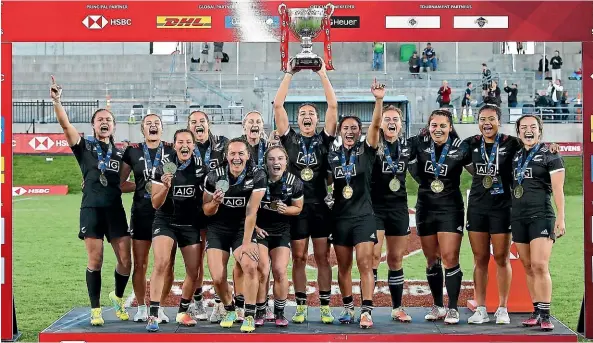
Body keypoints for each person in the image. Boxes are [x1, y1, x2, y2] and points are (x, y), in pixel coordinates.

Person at [51, 76, 131, 326]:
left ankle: (117, 297)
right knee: (96, 260)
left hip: (115, 211)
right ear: (93, 125)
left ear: (114, 126)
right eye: (100, 120)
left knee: (125, 262)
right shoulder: (83, 146)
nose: (104, 122)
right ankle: (96, 309)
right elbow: (65, 126)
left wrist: (146, 185)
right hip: (92, 210)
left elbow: (122, 183)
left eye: (108, 120)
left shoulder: (122, 153)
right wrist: (57, 100)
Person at [273, 59, 338, 324]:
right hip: (296, 209)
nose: (307, 117)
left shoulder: (324, 139)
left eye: (312, 113)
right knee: (298, 258)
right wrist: (289, 73)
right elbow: (278, 105)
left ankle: (324, 306)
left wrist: (322, 73)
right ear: (297, 120)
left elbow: (333, 105)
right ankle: (300, 305)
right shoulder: (288, 139)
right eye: (302, 114)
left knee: (322, 257)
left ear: (317, 119)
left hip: (320, 208)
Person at [327, 80, 382, 329]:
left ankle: (367, 310)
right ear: (340, 132)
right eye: (345, 128)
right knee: (344, 266)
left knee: (365, 263)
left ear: (359, 132)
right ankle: (348, 307)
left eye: (354, 128)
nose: (350, 131)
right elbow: (325, 180)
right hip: (340, 217)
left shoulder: (366, 150)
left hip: (363, 216)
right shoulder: (333, 155)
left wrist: (378, 100)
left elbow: (376, 126)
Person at [409, 109, 471, 325]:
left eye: (443, 125)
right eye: (434, 125)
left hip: (450, 208)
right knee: (431, 259)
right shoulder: (418, 143)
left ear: (450, 127)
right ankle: (438, 306)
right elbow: (395, 148)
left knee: (449, 257)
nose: (438, 129)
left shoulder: (460, 147)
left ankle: (453, 308)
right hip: (425, 207)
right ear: (428, 127)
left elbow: (480, 166)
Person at [463, 104, 520, 325]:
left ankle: (503, 308)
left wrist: (551, 147)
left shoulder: (511, 143)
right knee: (480, 259)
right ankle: (481, 308)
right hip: (477, 206)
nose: (487, 123)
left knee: (502, 258)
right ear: (478, 122)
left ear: (499, 121)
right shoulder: (471, 144)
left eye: (491, 119)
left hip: (502, 207)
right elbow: (466, 165)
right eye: (482, 119)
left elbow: (530, 147)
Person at [203, 137, 267, 333]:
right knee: (217, 277)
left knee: (250, 265)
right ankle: (230, 309)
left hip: (242, 228)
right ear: (226, 156)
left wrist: (247, 243)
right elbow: (206, 210)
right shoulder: (213, 176)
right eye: (232, 153)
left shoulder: (257, 175)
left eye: (241, 153)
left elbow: (251, 211)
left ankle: (249, 314)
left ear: (248, 155)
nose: (236, 157)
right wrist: (214, 202)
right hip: (217, 228)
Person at [145, 129, 207, 332]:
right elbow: (155, 203)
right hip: (166, 221)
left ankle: (182, 311)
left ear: (193, 146)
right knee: (162, 263)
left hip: (190, 224)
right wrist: (165, 186)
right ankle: (153, 315)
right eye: (180, 142)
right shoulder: (163, 166)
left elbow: (205, 197)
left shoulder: (200, 167)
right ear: (174, 145)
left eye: (188, 142)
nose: (185, 145)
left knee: (194, 270)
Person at [120, 114, 177, 323]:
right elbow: (121, 183)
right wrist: (145, 185)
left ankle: (159, 307)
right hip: (142, 213)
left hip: (166, 213)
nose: (153, 126)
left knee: (167, 264)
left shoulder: (172, 151)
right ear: (143, 129)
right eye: (148, 124)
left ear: (162, 129)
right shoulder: (133, 151)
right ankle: (142, 308)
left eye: (157, 124)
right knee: (141, 263)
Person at [511, 115, 565, 331]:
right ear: (518, 132)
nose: (528, 130)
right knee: (528, 266)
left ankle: (546, 314)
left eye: (532, 126)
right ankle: (535, 310)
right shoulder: (515, 156)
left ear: (540, 130)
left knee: (540, 265)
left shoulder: (550, 154)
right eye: (523, 127)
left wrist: (561, 217)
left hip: (541, 215)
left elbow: (559, 189)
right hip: (518, 217)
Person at [370, 104, 413, 323]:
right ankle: (367, 309)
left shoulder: (408, 146)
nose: (391, 122)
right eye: (387, 119)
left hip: (398, 208)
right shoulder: (373, 144)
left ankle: (397, 308)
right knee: (373, 257)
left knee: (396, 259)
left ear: (401, 124)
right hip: (375, 208)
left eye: (395, 119)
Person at [254, 145, 304, 327]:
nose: (276, 162)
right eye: (272, 159)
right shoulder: (258, 179)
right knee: (263, 270)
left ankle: (280, 313)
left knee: (280, 270)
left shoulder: (295, 182)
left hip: (281, 231)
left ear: (285, 162)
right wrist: (256, 227)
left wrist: (287, 209)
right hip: (260, 230)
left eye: (280, 159)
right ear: (266, 162)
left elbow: (298, 208)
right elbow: (248, 208)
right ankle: (260, 310)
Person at [186, 110, 229, 322]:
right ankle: (197, 301)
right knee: (196, 260)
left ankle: (221, 303)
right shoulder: (183, 146)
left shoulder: (222, 144)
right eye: (193, 122)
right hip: (192, 210)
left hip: (216, 208)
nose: (198, 125)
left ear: (209, 124)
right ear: (188, 126)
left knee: (218, 257)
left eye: (201, 121)